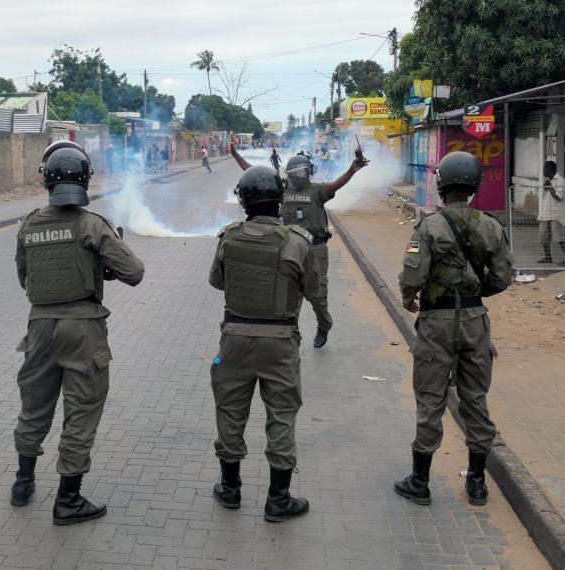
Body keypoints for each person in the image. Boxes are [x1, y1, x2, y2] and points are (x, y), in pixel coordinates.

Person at [11, 143, 144, 525]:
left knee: (34, 407)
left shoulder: (29, 224)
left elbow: (26, 279)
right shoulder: (92, 225)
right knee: (81, 411)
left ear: (47, 180)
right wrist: (102, 264)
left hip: (39, 327)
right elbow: (134, 272)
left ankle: (23, 483)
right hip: (83, 328)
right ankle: (68, 501)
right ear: (85, 179)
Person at [395, 151, 514, 507]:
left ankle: (420, 480)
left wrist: (407, 297)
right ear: (475, 186)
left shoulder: (428, 227)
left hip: (437, 324)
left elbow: (412, 274)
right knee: (475, 399)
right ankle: (477, 482)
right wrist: (478, 293)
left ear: (441, 185)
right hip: (476, 323)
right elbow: (503, 277)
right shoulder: (492, 226)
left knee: (431, 400)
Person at [208, 165, 321, 522]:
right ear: (280, 199)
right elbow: (313, 290)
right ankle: (278, 499)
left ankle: (229, 489)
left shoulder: (228, 237)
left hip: (235, 339)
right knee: (282, 417)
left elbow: (217, 281)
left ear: (243, 201)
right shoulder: (298, 242)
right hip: (281, 342)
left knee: (230, 412)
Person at [230, 147, 368, 349]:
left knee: (318, 296)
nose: (297, 177)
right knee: (291, 296)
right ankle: (291, 333)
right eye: (293, 174)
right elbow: (254, 172)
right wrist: (235, 155)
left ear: (308, 172)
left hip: (316, 250)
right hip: (290, 250)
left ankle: (324, 324)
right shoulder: (282, 189)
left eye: (301, 173)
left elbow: (336, 184)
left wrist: (352, 170)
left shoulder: (317, 191)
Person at [537, 160, 564, 265]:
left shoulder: (560, 181)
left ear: (549, 169)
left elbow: (558, 198)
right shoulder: (548, 180)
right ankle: (548, 257)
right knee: (543, 237)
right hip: (545, 214)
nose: (543, 170)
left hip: (556, 215)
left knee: (560, 237)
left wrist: (549, 187)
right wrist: (547, 186)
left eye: (544, 168)